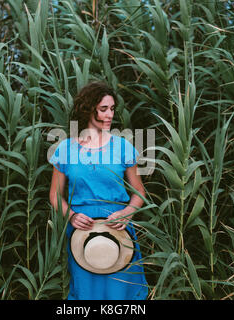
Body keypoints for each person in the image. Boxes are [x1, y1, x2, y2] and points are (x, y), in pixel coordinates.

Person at [48, 81, 148, 300]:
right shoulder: (65, 149)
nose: (109, 115)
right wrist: (71, 216)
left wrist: (126, 213)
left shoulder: (123, 147)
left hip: (119, 229)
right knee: (86, 294)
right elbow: (55, 195)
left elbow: (139, 192)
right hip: (81, 232)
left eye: (112, 109)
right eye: (103, 109)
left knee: (122, 295)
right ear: (88, 109)